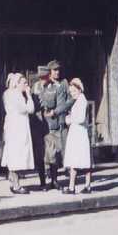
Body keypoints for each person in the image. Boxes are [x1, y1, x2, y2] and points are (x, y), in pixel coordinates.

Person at [1, 73, 35, 194]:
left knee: (13, 154)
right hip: (18, 128)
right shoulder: (16, 95)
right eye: (24, 83)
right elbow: (29, 109)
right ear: (18, 83)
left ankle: (13, 182)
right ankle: (16, 185)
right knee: (16, 156)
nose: (26, 85)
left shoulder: (8, 94)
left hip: (13, 127)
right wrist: (29, 96)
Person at [39, 60, 71, 189]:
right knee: (47, 153)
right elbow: (42, 103)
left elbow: (67, 101)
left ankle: (55, 179)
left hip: (61, 121)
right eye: (54, 70)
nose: (57, 72)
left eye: (58, 70)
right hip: (48, 124)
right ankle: (45, 181)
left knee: (59, 152)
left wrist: (60, 111)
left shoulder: (63, 84)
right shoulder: (44, 86)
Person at [62, 78, 92, 194]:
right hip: (77, 133)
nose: (72, 94)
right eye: (71, 92)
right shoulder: (79, 100)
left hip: (79, 133)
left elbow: (80, 118)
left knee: (79, 159)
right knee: (81, 159)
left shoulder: (82, 101)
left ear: (79, 89)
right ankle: (84, 185)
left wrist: (69, 119)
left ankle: (73, 187)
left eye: (74, 91)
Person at [30, 66, 51, 190]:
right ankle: (42, 181)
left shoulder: (51, 87)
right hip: (37, 124)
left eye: (45, 77)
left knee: (50, 152)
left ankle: (52, 178)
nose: (43, 80)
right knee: (40, 154)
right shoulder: (35, 88)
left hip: (48, 123)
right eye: (42, 78)